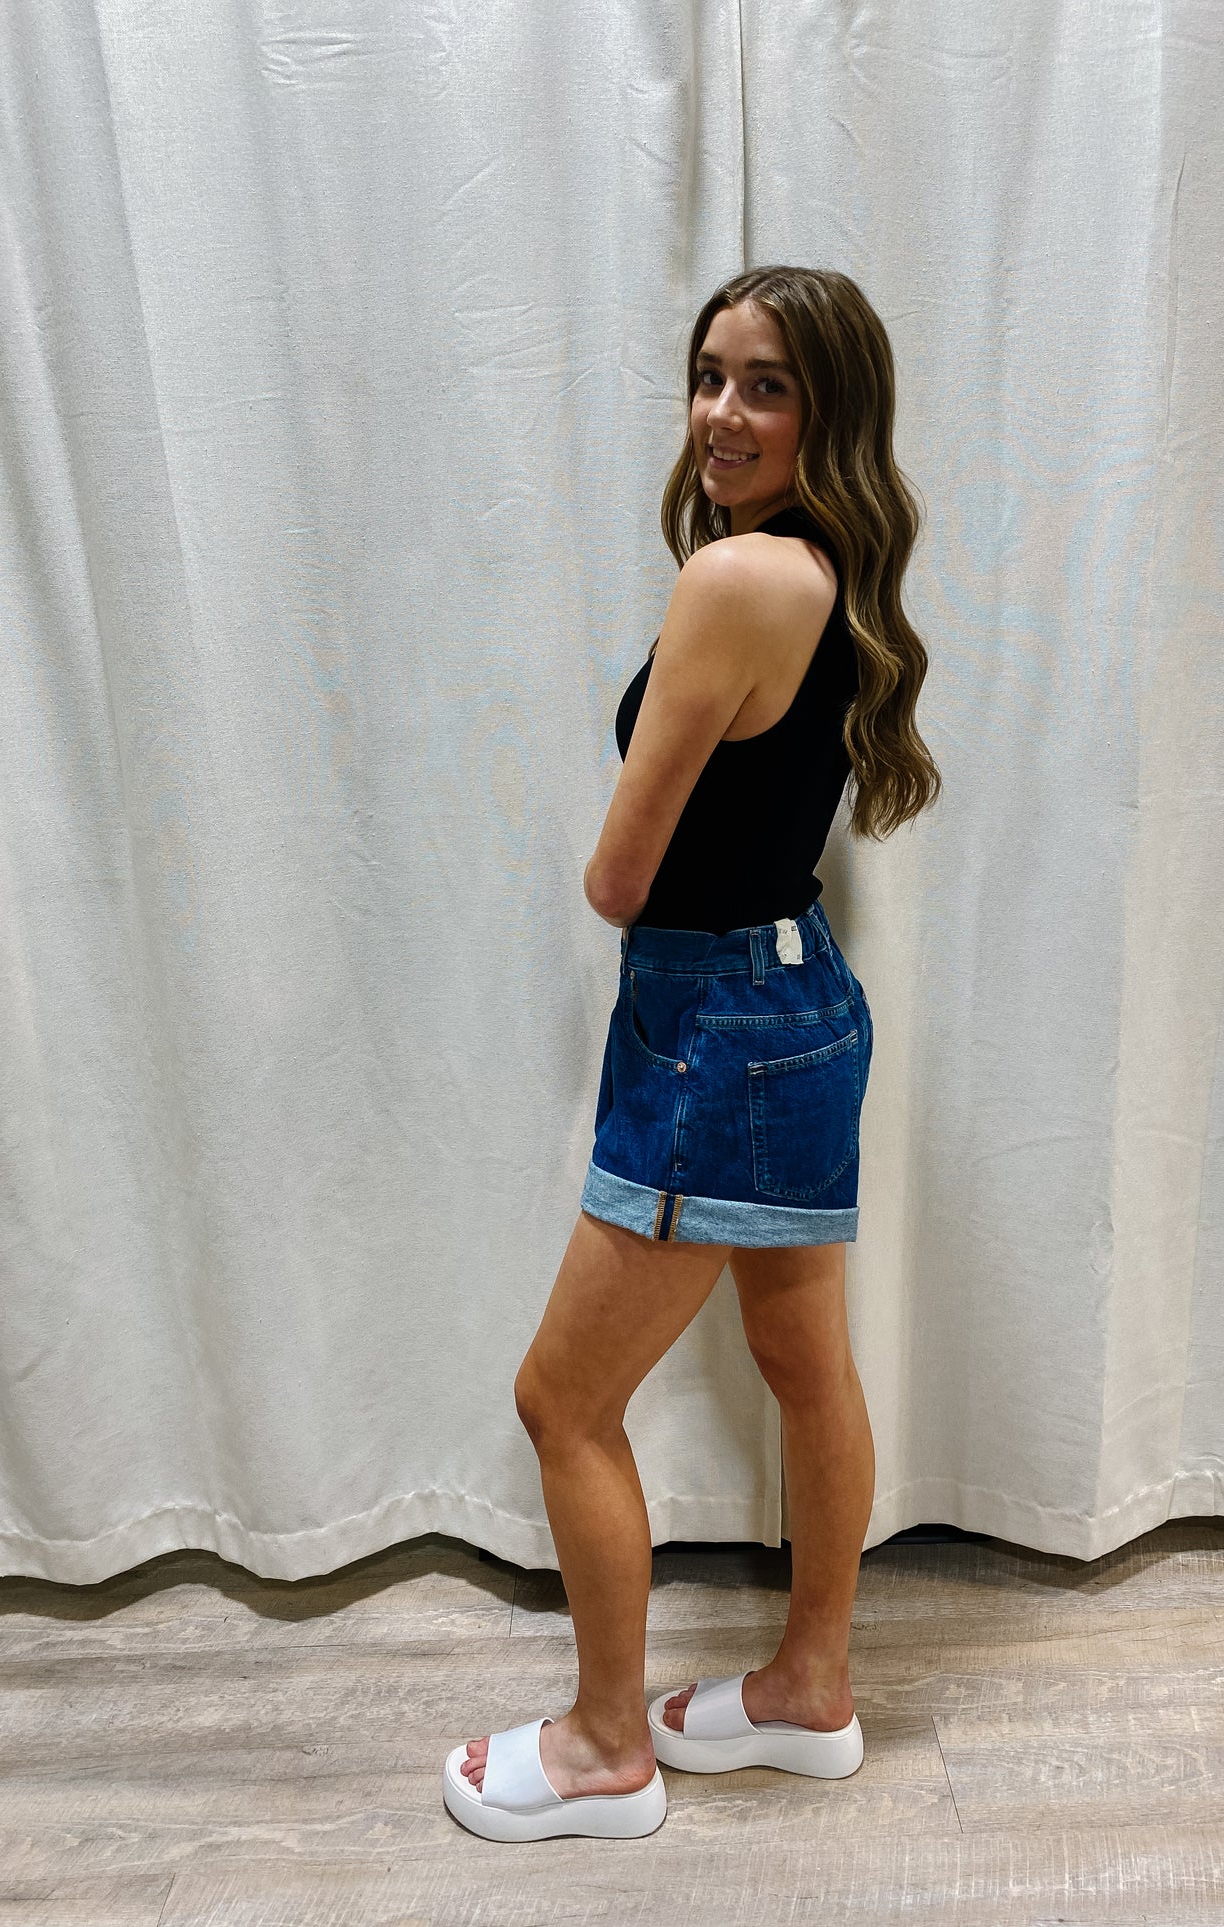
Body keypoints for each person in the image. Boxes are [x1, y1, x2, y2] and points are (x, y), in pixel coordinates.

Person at [444, 265, 942, 1842]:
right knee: (804, 1368)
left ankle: (603, 1748)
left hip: (713, 1025)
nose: (721, 412)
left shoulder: (733, 580)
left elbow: (620, 878)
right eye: (709, 374)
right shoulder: (831, 569)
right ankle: (809, 1688)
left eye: (765, 385)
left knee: (561, 1400)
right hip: (799, 1006)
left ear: (827, 412)